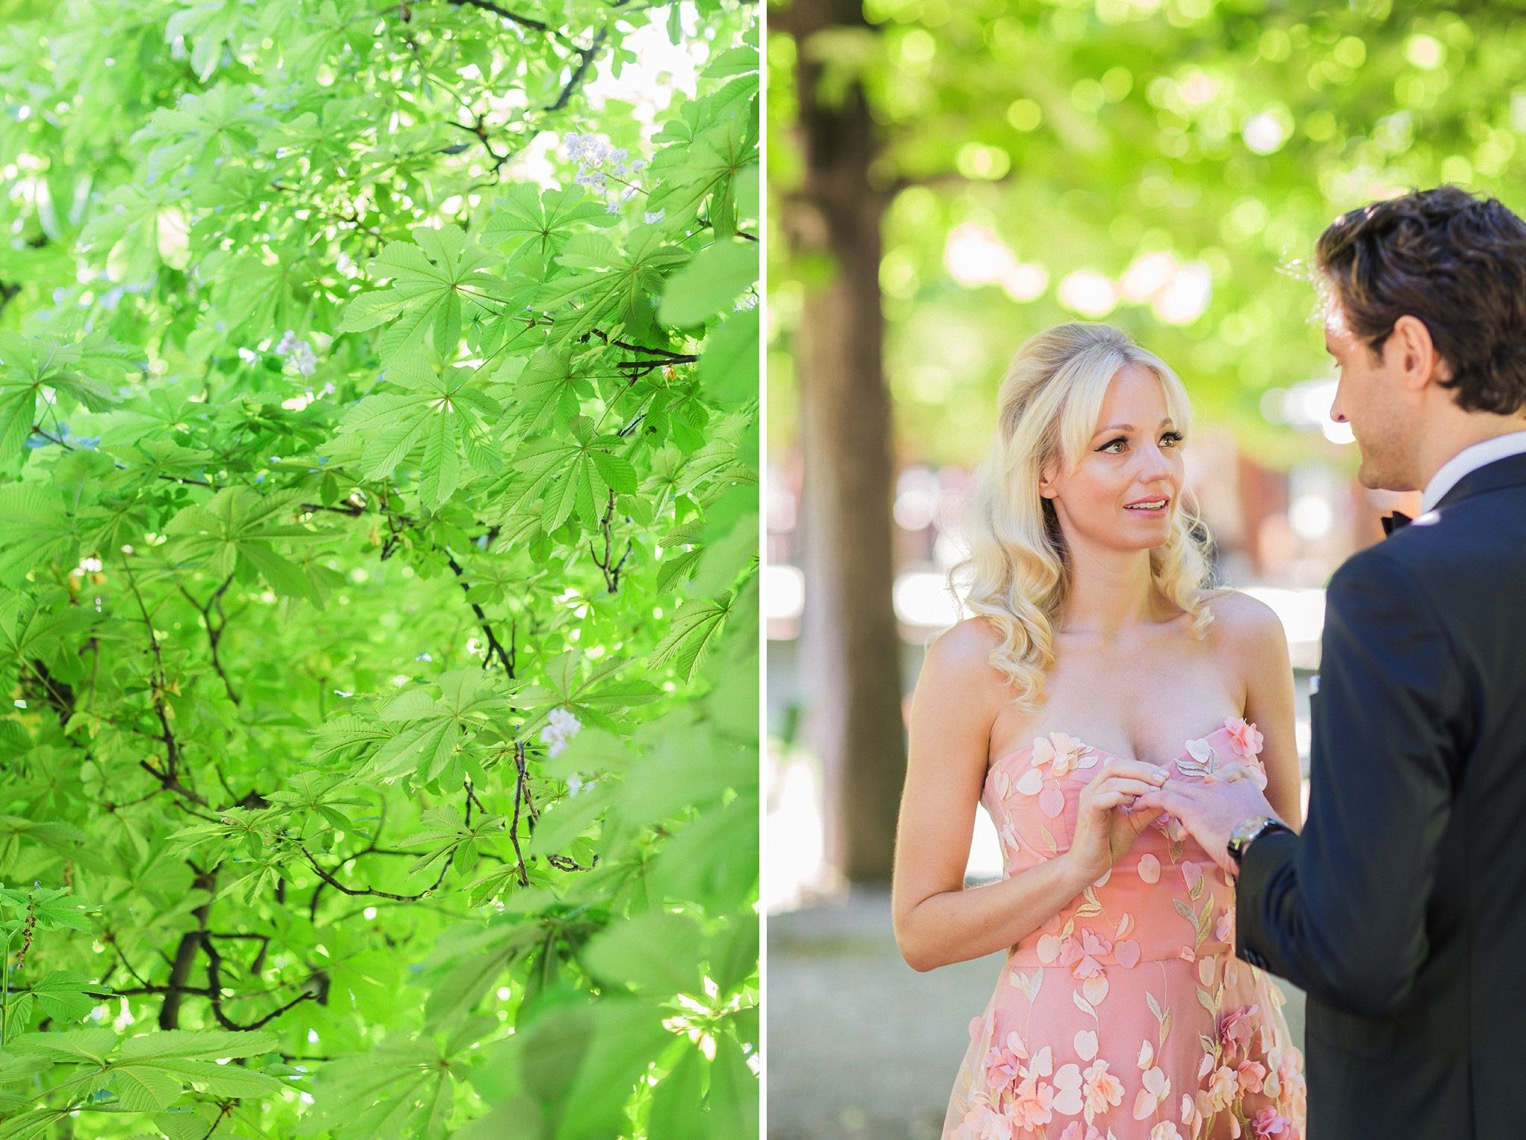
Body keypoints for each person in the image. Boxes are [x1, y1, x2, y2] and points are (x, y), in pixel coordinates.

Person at [1139, 185, 1526, 1139]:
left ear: (1412, 352)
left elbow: (1359, 950)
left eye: (1341, 365)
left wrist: (1247, 833)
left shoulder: (1402, 594)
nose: (1340, 409)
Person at [892, 322, 1307, 1140]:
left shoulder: (1244, 636)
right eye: (1115, 445)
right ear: (1046, 469)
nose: (1156, 469)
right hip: (1063, 1080)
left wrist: (1246, 836)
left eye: (1167, 438)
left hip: (1230, 1064)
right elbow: (919, 929)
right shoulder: (975, 665)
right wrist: (1075, 867)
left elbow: (1299, 869)